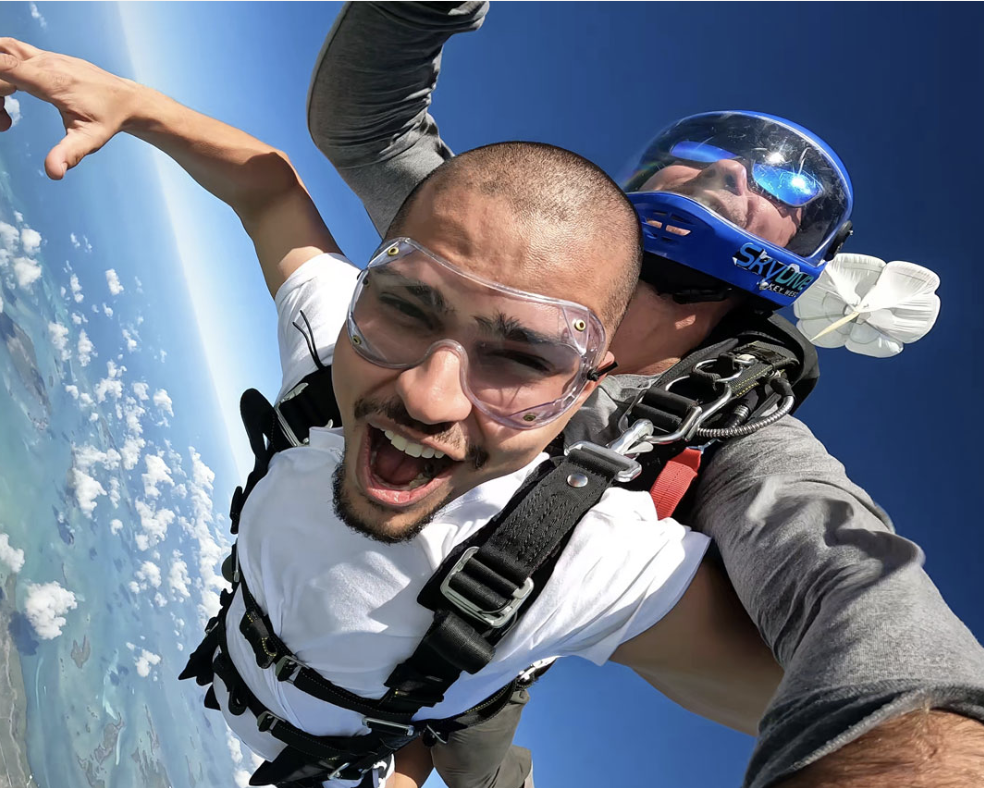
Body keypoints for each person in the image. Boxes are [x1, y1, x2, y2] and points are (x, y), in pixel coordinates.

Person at [0, 32, 798, 788]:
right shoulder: (327, 358)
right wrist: (136, 102)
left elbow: (866, 717)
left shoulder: (583, 556)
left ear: (588, 383)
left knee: (484, 748)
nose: (427, 394)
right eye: (408, 307)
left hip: (366, 736)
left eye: (525, 355)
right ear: (364, 294)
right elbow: (269, 192)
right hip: (268, 685)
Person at [305, 3, 984, 788]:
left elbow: (845, 575)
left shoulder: (733, 433)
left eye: (779, 184)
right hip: (345, 558)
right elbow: (367, 127)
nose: (733, 170)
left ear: (797, 254)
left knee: (472, 753)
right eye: (706, 157)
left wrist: (922, 733)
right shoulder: (508, 253)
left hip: (478, 637)